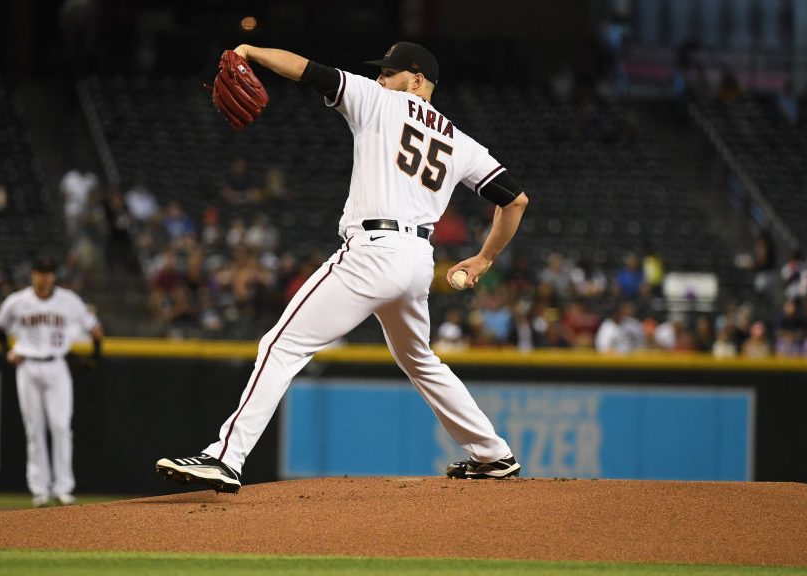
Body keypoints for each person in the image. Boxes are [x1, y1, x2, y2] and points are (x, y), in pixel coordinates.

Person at [156, 41, 529, 492]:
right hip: (417, 263)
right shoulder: (460, 141)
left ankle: (225, 457)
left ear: (415, 81)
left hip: (373, 250)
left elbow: (306, 69)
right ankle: (493, 454)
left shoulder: (379, 101)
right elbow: (515, 199)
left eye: (388, 73)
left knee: (281, 345)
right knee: (419, 359)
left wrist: (250, 50)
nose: (378, 79)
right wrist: (485, 258)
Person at [0, 255, 103, 507]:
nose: (44, 276)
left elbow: (95, 328)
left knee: (61, 426)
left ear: (53, 275)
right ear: (32, 274)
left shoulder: (69, 301)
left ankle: (63, 488)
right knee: (34, 429)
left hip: (57, 365)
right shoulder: (17, 302)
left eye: (49, 272)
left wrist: (96, 357)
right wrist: (6, 351)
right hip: (27, 366)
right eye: (40, 272)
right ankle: (39, 489)